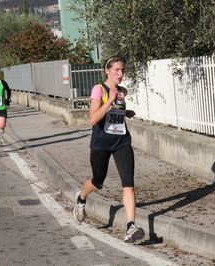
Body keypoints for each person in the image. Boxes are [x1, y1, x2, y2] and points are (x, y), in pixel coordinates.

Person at [73, 55, 144, 243]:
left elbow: (114, 114)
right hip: (101, 143)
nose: (120, 73)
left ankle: (130, 225)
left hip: (122, 141)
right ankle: (81, 198)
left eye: (122, 70)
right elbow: (93, 119)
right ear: (107, 71)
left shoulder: (123, 91)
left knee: (128, 183)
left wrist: (125, 112)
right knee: (98, 181)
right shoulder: (99, 90)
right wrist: (110, 99)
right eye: (116, 70)